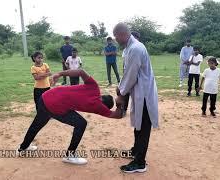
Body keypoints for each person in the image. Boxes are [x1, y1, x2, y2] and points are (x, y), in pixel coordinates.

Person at [17, 69, 123, 165]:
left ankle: (23, 148)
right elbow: (117, 115)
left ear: (102, 95)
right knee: (81, 124)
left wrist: (60, 73)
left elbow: (81, 72)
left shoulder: (94, 87)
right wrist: (120, 101)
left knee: (38, 124)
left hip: (46, 96)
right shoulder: (100, 108)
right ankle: (70, 155)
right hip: (54, 105)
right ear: (106, 107)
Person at [113, 23, 159, 173]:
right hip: (139, 93)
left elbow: (131, 74)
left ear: (121, 34)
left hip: (144, 94)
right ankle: (135, 151)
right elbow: (127, 72)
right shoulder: (129, 49)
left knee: (143, 127)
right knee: (138, 125)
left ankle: (140, 162)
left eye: (116, 37)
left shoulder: (136, 48)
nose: (116, 40)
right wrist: (120, 87)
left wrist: (121, 94)